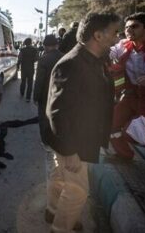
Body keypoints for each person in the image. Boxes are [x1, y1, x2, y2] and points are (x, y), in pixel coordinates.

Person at [46, 13, 119, 232]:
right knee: (78, 191)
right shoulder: (71, 63)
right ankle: (61, 228)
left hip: (82, 136)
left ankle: (51, 210)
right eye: (115, 32)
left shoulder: (97, 59)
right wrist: (69, 151)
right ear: (97, 35)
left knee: (60, 176)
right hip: (73, 142)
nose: (118, 38)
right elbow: (57, 111)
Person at [109, 12, 145, 159]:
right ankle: (124, 154)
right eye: (127, 27)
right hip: (131, 95)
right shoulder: (123, 46)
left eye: (134, 26)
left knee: (136, 132)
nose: (128, 30)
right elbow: (108, 52)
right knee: (111, 123)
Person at [33, 35, 63, 147]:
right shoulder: (65, 57)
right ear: (57, 45)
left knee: (44, 119)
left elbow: (39, 81)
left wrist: (35, 97)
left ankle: (46, 142)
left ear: (45, 46)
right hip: (61, 94)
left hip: (46, 95)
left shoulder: (43, 59)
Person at [17, 37, 38, 102]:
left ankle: (22, 93)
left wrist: (18, 66)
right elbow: (36, 58)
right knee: (30, 83)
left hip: (23, 68)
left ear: (25, 43)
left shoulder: (22, 50)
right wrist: (32, 61)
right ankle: (28, 98)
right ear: (31, 43)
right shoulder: (35, 50)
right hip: (31, 68)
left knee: (23, 81)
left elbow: (19, 58)